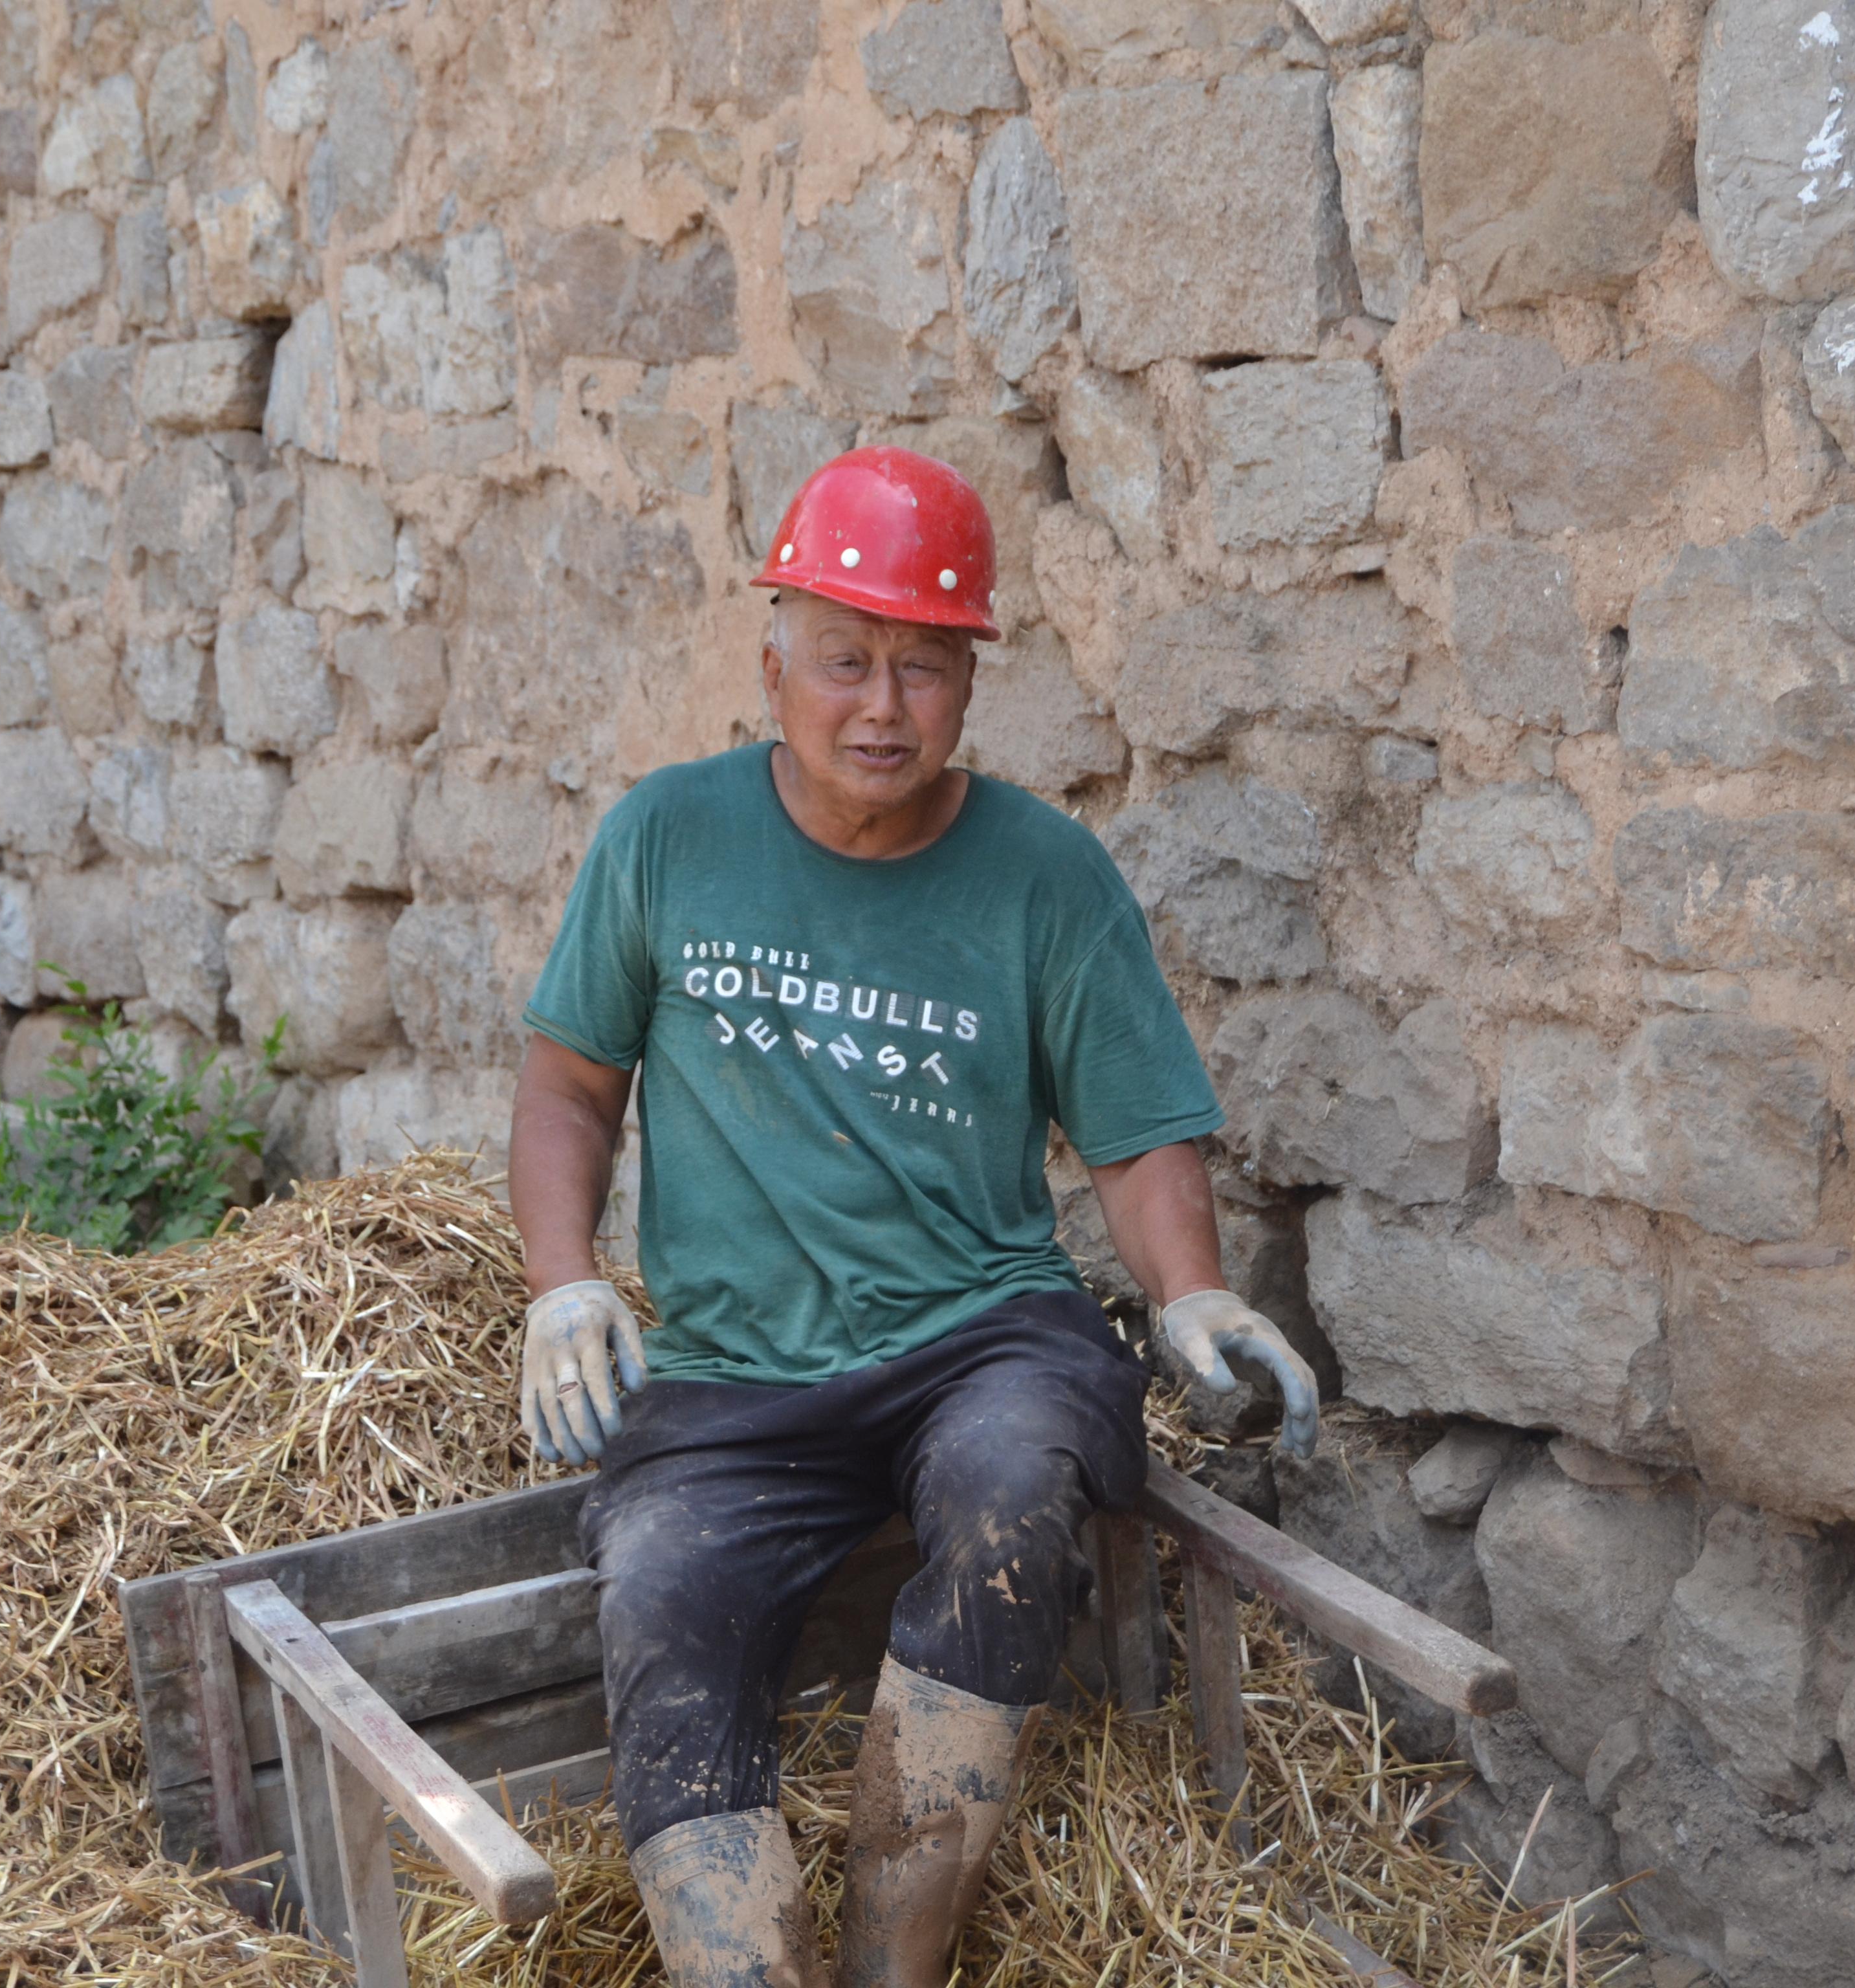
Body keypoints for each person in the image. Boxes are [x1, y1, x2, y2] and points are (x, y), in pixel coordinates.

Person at [507, 447, 1321, 1988]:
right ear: (774, 661)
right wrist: (564, 1280)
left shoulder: (1043, 876)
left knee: (1019, 1482)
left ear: (970, 688)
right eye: (846, 660)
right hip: (736, 1383)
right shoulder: (667, 839)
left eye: (925, 670)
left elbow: (1139, 1133)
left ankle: (897, 1965)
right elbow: (567, 1092)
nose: (881, 708)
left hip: (979, 1338)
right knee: (663, 1599)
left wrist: (1195, 1292)